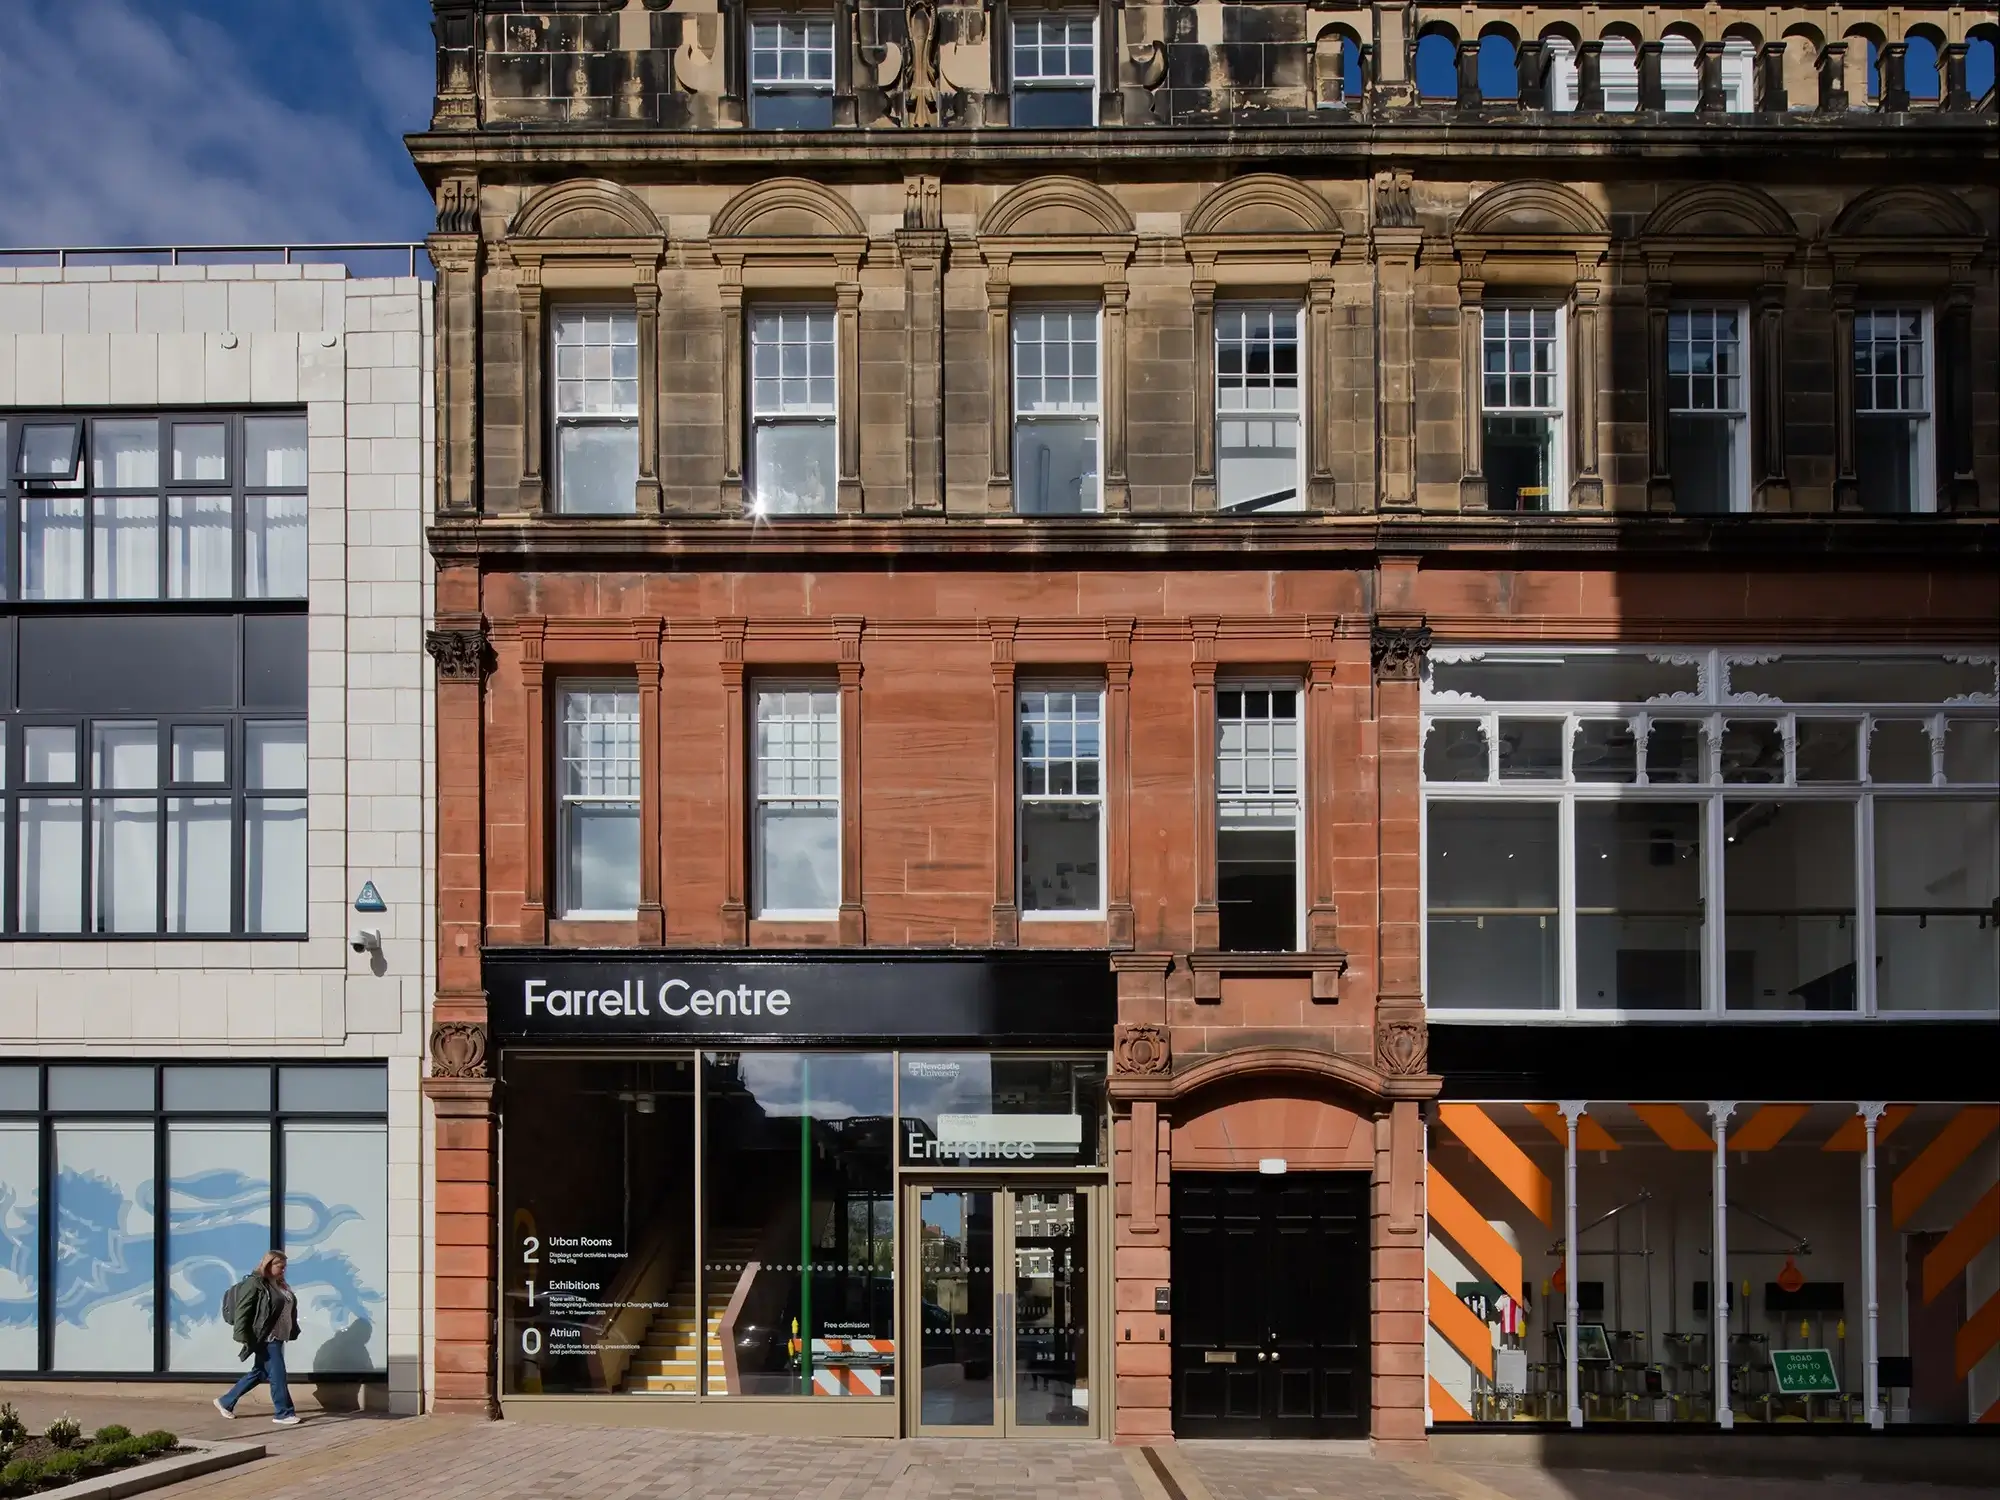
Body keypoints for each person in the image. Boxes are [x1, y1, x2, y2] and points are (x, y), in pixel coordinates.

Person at [215, 1251, 304, 1425]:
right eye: (280, 1266)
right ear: (268, 1264)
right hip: (265, 1336)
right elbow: (243, 1309)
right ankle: (283, 1413)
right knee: (278, 1374)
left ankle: (225, 1401)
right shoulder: (255, 1283)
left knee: (260, 1372)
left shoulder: (280, 1285)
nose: (283, 1270)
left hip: (277, 1336)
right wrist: (242, 1335)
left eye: (285, 1266)